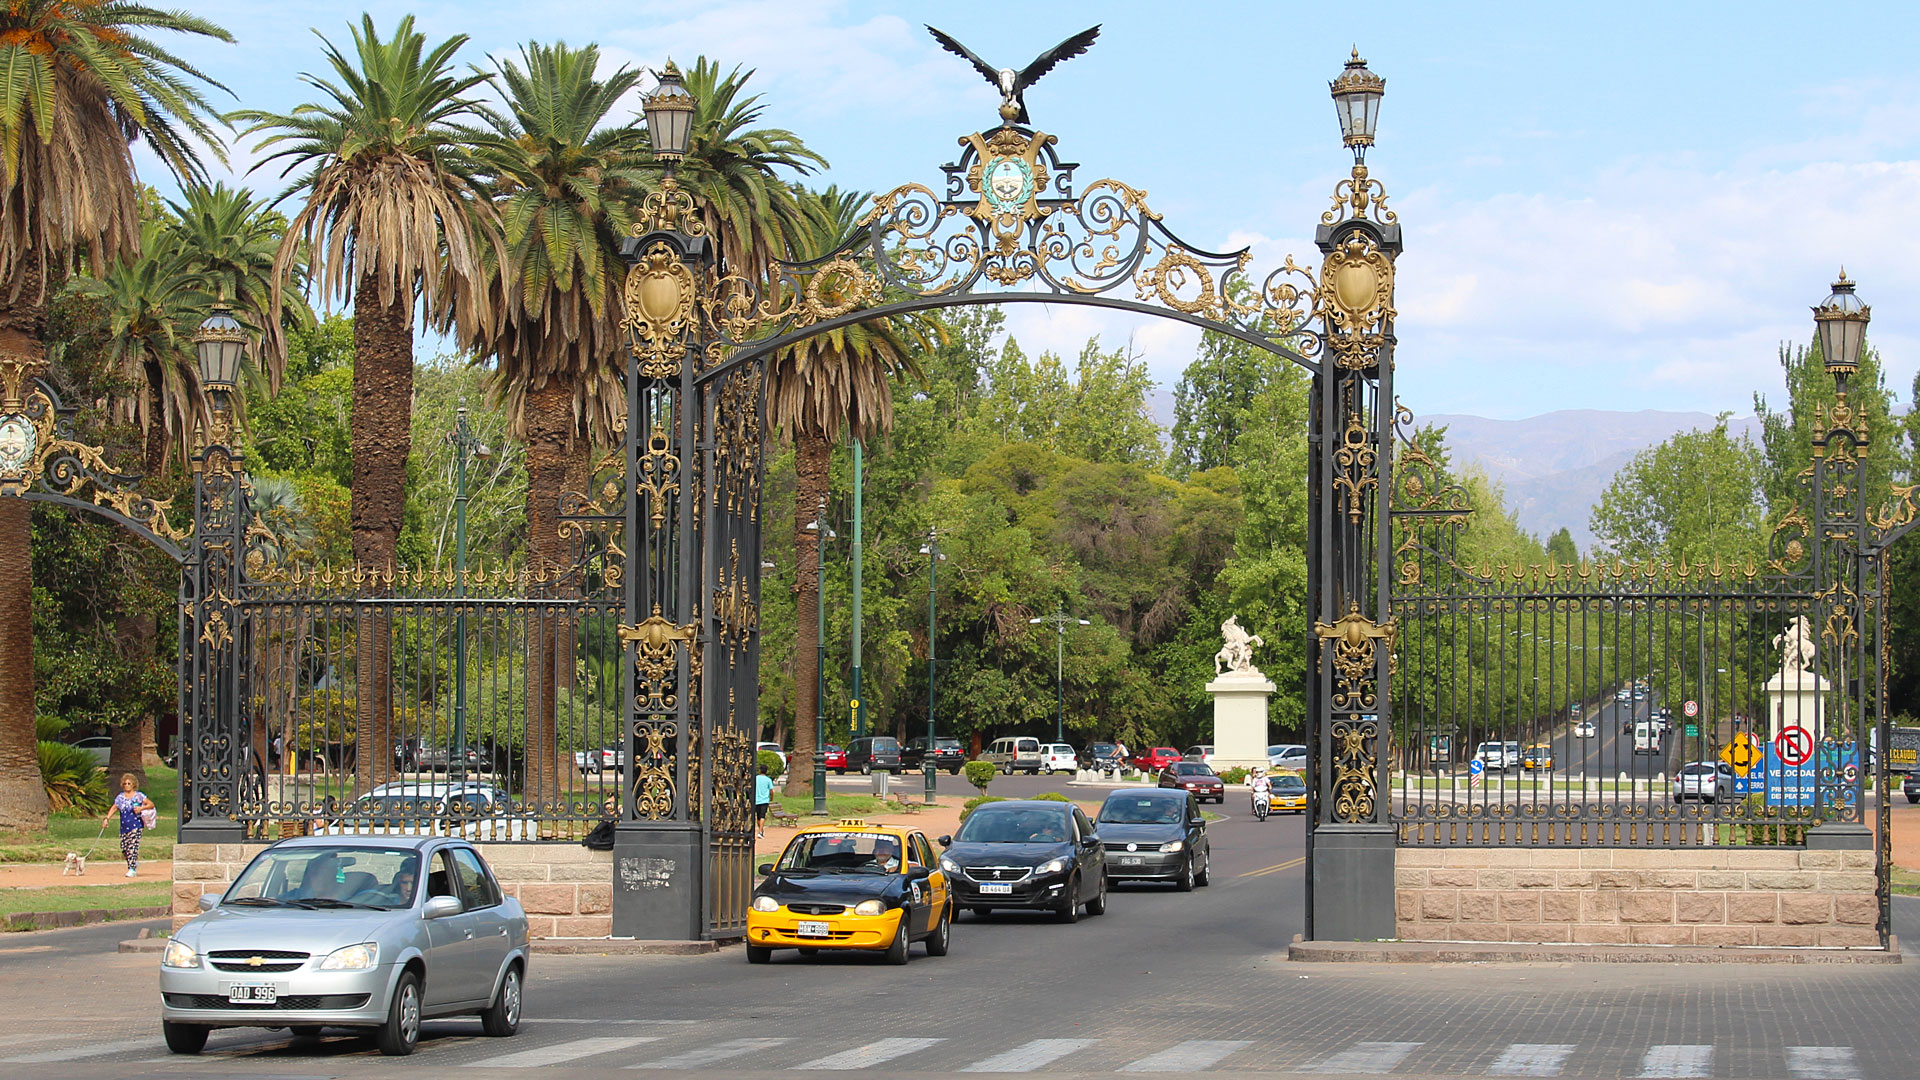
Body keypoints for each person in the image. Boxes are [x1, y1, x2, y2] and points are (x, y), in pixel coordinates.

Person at [102, 774, 155, 878]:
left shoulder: (139, 796)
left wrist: (141, 809)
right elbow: (114, 808)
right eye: (125, 784)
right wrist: (107, 819)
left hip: (136, 825)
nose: (127, 785)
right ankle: (133, 862)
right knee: (124, 848)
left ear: (133, 784)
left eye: (129, 783)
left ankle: (132, 869)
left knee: (132, 847)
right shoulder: (120, 797)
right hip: (124, 826)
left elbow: (151, 804)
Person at [754, 761, 774, 839]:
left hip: (756, 800)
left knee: (758, 817)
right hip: (764, 800)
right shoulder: (768, 780)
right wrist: (771, 798)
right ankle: (760, 831)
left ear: (759, 770)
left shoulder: (756, 778)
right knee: (762, 816)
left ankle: (760, 830)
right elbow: (771, 791)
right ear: (767, 771)